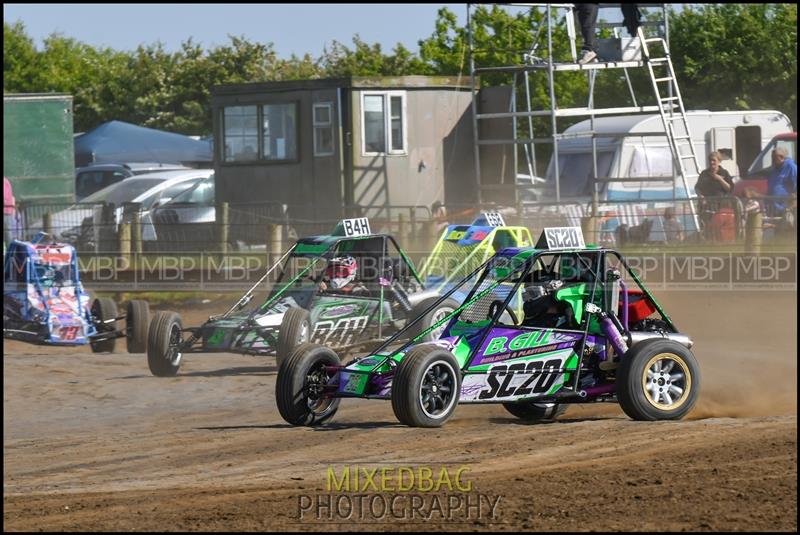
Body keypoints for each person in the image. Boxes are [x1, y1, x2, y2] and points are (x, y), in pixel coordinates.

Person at [766, 146, 797, 216]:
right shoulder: (774, 169)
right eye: (773, 157)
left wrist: (793, 198)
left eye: (775, 157)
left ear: (782, 157)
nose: (773, 159)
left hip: (786, 207)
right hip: (772, 206)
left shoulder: (791, 166)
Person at [4, 176, 16, 245]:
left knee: (7, 233)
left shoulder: (4, 182)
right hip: (7, 211)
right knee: (7, 232)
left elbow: (5, 199)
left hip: (6, 211)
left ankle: (10, 252)